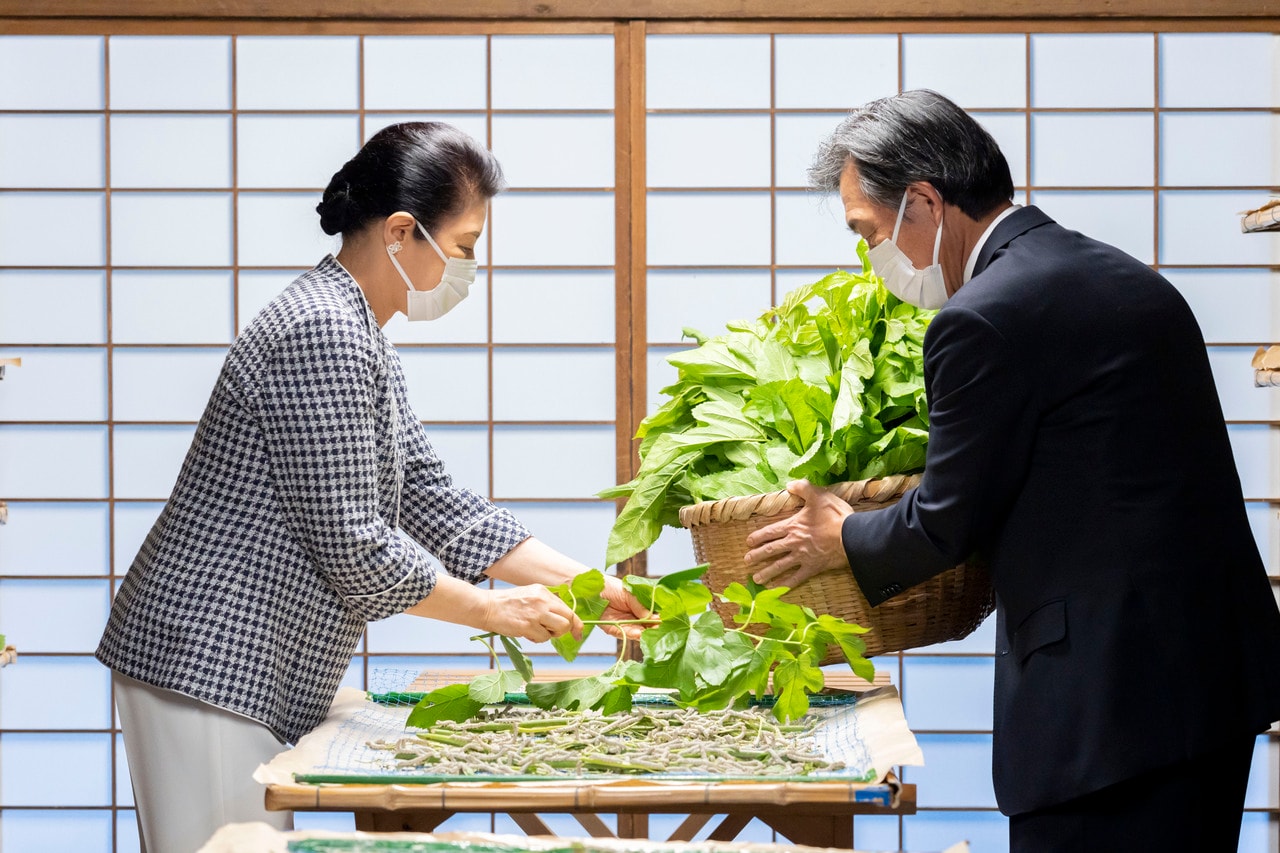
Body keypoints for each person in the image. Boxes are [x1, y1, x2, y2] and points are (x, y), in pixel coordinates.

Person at [742, 90, 1280, 851]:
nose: (870, 257)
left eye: (867, 232)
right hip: (1208, 681)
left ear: (923, 203)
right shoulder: (1121, 275)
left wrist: (842, 533)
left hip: (1108, 712)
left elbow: (944, 520)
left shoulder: (982, 317)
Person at [96, 122, 648, 853]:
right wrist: (492, 608)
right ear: (400, 231)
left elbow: (433, 501)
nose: (470, 267)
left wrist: (585, 584)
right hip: (209, 659)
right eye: (465, 245)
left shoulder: (358, 329)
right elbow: (356, 546)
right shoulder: (323, 330)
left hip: (242, 663)